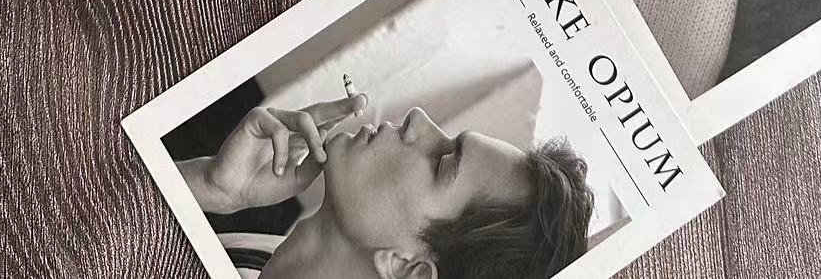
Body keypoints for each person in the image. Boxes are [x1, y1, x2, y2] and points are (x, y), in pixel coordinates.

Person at [177, 93, 594, 279]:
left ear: (409, 270)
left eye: (442, 162)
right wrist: (210, 188)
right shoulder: (256, 255)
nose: (418, 119)